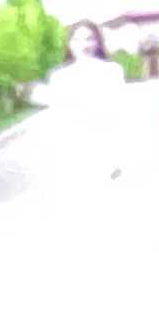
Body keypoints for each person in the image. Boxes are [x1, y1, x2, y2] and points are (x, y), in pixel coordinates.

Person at [37, 19, 138, 190]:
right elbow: (58, 122)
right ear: (69, 44)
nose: (83, 45)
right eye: (77, 40)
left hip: (105, 156)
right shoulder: (59, 78)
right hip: (72, 158)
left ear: (98, 42)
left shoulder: (112, 71)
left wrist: (118, 158)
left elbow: (119, 116)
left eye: (89, 39)